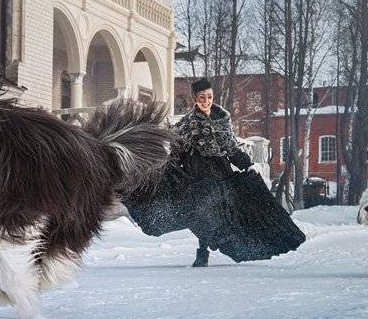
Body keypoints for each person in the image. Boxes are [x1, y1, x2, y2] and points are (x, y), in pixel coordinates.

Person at [123, 78, 307, 267]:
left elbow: (230, 146)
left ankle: (257, 243)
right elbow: (177, 152)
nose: (206, 100)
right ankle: (202, 252)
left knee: (226, 211)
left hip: (219, 171)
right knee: (201, 212)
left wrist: (244, 162)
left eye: (209, 96)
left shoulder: (222, 120)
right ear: (195, 98)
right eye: (202, 97)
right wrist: (170, 171)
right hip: (196, 173)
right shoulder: (186, 124)